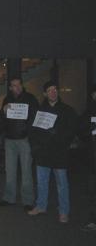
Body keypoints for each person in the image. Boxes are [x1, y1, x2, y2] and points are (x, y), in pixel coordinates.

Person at [28, 81, 77, 223]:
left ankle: (63, 211)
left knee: (62, 184)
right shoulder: (38, 111)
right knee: (41, 182)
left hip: (59, 152)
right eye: (49, 90)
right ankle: (41, 206)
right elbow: (32, 131)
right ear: (44, 94)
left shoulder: (67, 110)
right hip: (42, 152)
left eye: (55, 89)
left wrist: (58, 135)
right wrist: (35, 148)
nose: (53, 92)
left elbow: (71, 130)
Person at [0, 77, 38, 211]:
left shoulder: (31, 99)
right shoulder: (7, 100)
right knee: (10, 170)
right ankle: (9, 198)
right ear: (10, 87)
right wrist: (3, 111)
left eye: (19, 84)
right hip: (10, 139)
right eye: (14, 85)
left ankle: (28, 200)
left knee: (26, 171)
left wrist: (29, 133)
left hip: (24, 139)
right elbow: (2, 120)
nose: (17, 87)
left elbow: (35, 117)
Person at [78, 86, 96, 231]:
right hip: (92, 159)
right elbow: (81, 131)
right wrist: (89, 129)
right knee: (93, 191)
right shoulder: (88, 112)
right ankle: (93, 219)